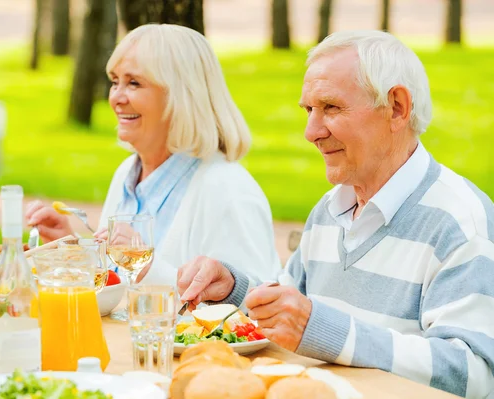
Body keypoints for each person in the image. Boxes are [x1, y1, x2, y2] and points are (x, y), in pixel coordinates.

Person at [177, 30, 494, 398]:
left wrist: (332, 333)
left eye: (331, 107)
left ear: (397, 108)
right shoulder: (331, 208)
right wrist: (235, 291)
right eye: (308, 110)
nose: (311, 132)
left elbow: (474, 374)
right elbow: (295, 314)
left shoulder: (460, 220)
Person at [25, 24, 281, 285]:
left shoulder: (228, 189)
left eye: (134, 83)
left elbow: (251, 310)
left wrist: (147, 265)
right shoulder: (127, 173)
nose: (115, 98)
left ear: (182, 95)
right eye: (115, 82)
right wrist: (69, 249)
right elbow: (116, 288)